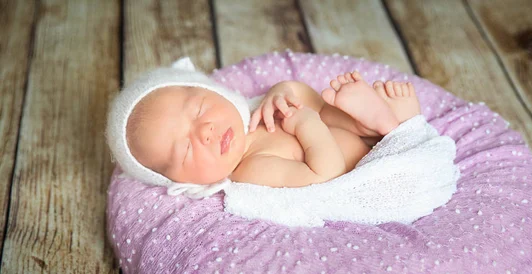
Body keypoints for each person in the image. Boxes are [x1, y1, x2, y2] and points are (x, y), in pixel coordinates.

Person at [124, 70, 421, 189]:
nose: (205, 131)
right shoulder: (250, 169)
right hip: (367, 166)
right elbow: (323, 175)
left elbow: (304, 100)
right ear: (182, 181)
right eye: (187, 149)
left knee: (313, 102)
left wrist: (280, 93)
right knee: (314, 116)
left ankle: (366, 123)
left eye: (200, 110)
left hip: (350, 132)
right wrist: (307, 126)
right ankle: (394, 130)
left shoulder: (254, 112)